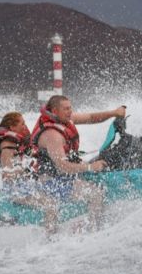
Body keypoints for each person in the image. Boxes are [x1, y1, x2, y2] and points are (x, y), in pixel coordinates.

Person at [31, 95, 126, 230]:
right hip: (51, 181)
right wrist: (90, 167)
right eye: (66, 109)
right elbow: (62, 166)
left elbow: (91, 118)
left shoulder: (64, 119)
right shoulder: (52, 135)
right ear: (55, 111)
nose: (70, 111)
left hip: (65, 174)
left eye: (70, 108)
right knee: (96, 193)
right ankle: (92, 229)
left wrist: (114, 113)